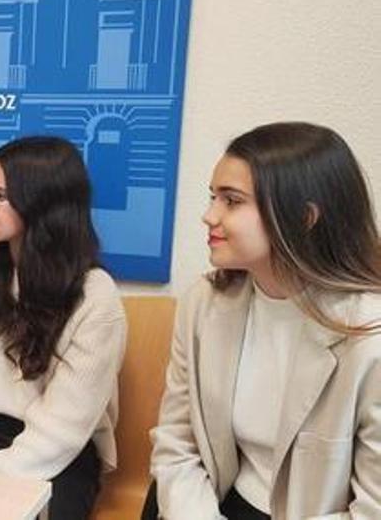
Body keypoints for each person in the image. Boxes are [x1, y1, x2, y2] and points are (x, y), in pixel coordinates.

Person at [147, 122, 381, 519]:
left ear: (305, 218)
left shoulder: (369, 335)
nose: (208, 216)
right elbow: (177, 442)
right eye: (212, 197)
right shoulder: (203, 303)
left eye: (232, 201)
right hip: (212, 502)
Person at [0, 136, 126, 519]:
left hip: (62, 457)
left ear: (43, 205)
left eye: (0, 196)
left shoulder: (96, 298)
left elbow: (65, 427)